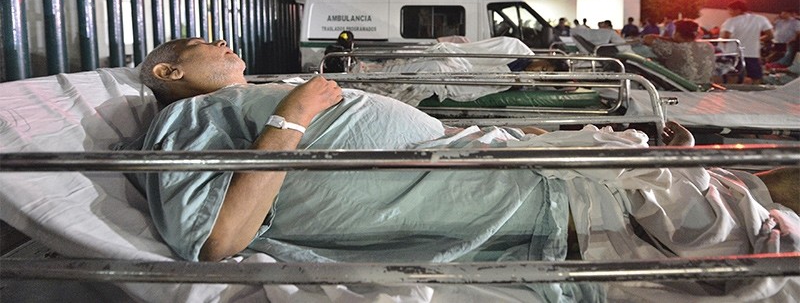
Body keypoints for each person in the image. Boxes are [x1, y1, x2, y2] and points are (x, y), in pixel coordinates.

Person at [136, 38, 799, 300]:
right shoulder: (185, 121)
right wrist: (293, 113)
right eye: (197, 46)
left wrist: (522, 133)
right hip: (545, 204)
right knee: (752, 248)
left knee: (742, 226)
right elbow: (218, 240)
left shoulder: (237, 103)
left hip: (535, 175)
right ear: (170, 74)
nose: (219, 42)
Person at [642, 19, 716, 85]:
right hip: (705, 89)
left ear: (677, 34)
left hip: (680, 90)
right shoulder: (708, 46)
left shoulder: (673, 48)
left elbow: (647, 38)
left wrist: (670, 39)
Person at [720, 0, 774, 84]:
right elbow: (770, 35)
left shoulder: (731, 21)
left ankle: (731, 95)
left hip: (733, 53)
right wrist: (757, 40)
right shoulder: (760, 19)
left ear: (738, 10)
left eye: (730, 10)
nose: (729, 13)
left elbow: (726, 36)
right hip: (752, 53)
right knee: (755, 77)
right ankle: (756, 95)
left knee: (732, 75)